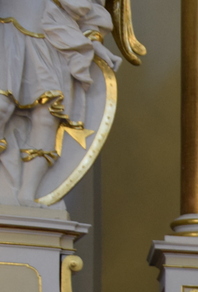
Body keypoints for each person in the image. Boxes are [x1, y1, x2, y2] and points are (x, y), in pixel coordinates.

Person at [0, 0, 120, 206]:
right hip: (7, 34)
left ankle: (28, 193)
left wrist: (94, 42)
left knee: (47, 116)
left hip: (48, 37)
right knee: (2, 107)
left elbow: (87, 7)